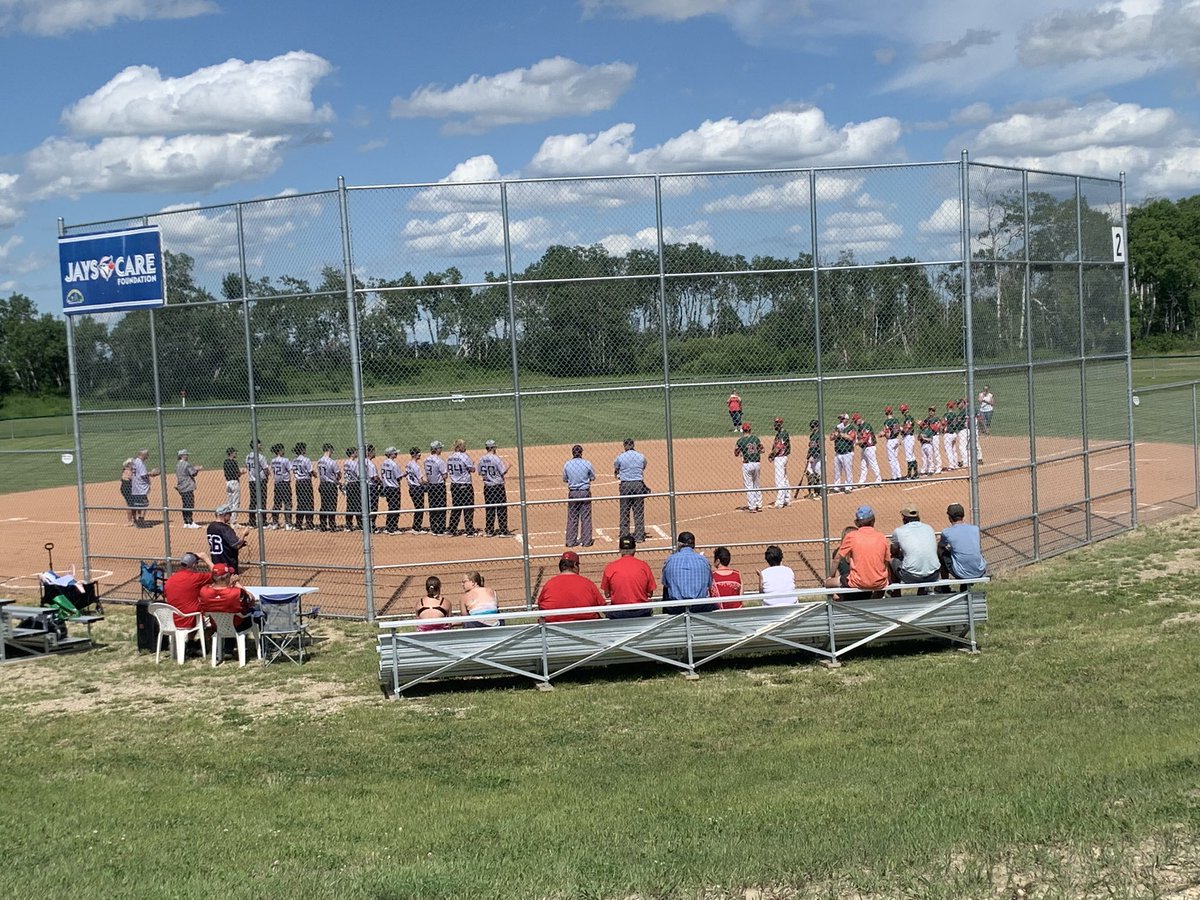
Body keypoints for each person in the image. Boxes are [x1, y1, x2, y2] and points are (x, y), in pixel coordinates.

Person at [827, 505, 891, 599]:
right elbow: (887, 561)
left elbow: (837, 559)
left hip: (857, 581)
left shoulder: (852, 536)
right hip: (879, 582)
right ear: (873, 521)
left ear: (857, 523)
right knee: (881, 587)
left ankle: (835, 602)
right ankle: (872, 604)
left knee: (827, 583)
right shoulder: (881, 537)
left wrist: (831, 576)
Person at [537, 551, 605, 623]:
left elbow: (540, 606)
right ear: (575, 565)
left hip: (553, 629)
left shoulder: (549, 584)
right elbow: (602, 606)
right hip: (586, 629)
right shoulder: (588, 583)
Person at [600, 534, 656, 619]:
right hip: (641, 612)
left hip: (619, 612)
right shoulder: (644, 566)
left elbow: (607, 594)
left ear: (620, 550)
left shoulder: (610, 567)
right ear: (634, 549)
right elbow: (650, 593)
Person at [888, 504, 940, 594]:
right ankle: (922, 591)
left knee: (892, 559)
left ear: (904, 518)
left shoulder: (899, 531)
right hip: (934, 574)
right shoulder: (929, 528)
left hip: (911, 576)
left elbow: (893, 551)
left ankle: (896, 592)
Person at [661, 531, 715, 614]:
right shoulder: (703, 560)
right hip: (700, 606)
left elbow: (665, 583)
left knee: (666, 590)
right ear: (693, 545)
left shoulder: (670, 560)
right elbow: (709, 584)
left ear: (679, 544)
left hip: (676, 607)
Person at [938, 502, 987, 584]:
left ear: (950, 517)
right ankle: (963, 587)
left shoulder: (947, 532)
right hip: (980, 570)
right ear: (963, 516)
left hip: (961, 573)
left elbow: (942, 544)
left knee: (940, 550)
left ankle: (944, 586)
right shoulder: (975, 529)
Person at [198, 563, 254, 634]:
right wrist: (236, 584)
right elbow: (251, 600)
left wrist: (230, 585)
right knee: (258, 613)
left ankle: (227, 644)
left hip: (216, 626)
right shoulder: (237, 592)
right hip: (237, 625)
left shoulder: (204, 591)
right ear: (227, 576)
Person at [163, 551, 211, 631]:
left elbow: (165, 595)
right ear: (194, 565)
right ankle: (205, 642)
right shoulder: (196, 577)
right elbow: (218, 575)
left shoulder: (170, 580)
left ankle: (190, 641)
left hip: (172, 621)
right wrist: (206, 559)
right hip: (190, 620)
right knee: (213, 619)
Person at [613, 437, 648, 540]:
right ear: (633, 445)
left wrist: (620, 473)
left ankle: (624, 535)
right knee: (638, 511)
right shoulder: (641, 456)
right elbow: (643, 466)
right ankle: (639, 536)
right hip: (638, 484)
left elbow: (616, 467)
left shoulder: (620, 457)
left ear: (624, 446)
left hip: (625, 485)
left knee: (624, 510)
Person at [563, 443, 596, 547]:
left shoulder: (567, 464)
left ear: (572, 453)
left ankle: (571, 541)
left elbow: (565, 479)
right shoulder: (587, 463)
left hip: (573, 492)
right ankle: (586, 541)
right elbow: (593, 477)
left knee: (572, 517)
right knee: (585, 517)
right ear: (581, 453)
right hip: (584, 491)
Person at [478, 439, 511, 536]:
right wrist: (508, 467)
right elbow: (503, 471)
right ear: (492, 448)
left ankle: (489, 530)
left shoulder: (482, 459)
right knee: (501, 508)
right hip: (497, 486)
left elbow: (479, 472)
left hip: (487, 487)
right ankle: (503, 530)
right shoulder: (496, 458)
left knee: (489, 508)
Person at [446, 439, 478, 537]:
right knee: (468, 507)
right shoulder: (464, 456)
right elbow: (472, 470)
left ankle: (452, 529)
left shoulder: (450, 457)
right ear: (460, 447)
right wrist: (473, 465)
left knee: (456, 507)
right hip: (465, 484)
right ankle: (469, 530)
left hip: (454, 484)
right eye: (464, 446)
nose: (465, 447)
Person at [207, 504, 250, 573]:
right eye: (230, 514)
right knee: (230, 582)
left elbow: (223, 542)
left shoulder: (211, 527)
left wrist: (242, 543)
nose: (230, 516)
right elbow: (236, 545)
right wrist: (244, 534)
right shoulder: (225, 528)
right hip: (227, 562)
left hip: (216, 561)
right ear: (225, 515)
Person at [734, 422, 763, 512]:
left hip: (747, 464)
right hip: (757, 463)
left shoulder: (740, 441)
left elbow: (736, 453)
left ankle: (752, 506)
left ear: (743, 430)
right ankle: (759, 504)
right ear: (750, 430)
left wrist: (741, 450)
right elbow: (762, 449)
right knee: (756, 484)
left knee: (749, 485)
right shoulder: (756, 439)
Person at [424, 441, 449, 536]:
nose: (441, 450)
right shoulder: (439, 461)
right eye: (440, 448)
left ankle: (433, 526)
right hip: (439, 485)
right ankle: (441, 528)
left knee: (432, 505)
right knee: (441, 506)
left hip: (430, 485)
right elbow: (445, 475)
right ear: (437, 449)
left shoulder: (426, 460)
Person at [129, 448, 158, 527]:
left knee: (137, 504)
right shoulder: (140, 463)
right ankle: (141, 520)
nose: (148, 456)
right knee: (144, 504)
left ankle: (137, 520)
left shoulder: (135, 461)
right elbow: (143, 475)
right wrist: (152, 474)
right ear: (143, 455)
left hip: (136, 487)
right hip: (141, 488)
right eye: (147, 454)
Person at [316, 443, 341, 532]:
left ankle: (323, 525)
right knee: (332, 505)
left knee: (324, 505)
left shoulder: (319, 461)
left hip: (322, 484)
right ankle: (332, 526)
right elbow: (338, 474)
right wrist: (337, 480)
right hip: (330, 485)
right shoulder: (331, 461)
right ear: (329, 450)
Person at [174, 449, 202, 528]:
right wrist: (197, 469)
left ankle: (186, 522)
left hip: (181, 486)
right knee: (189, 504)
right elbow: (193, 474)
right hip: (187, 486)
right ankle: (190, 522)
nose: (187, 456)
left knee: (185, 504)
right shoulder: (186, 464)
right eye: (186, 455)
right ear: (182, 456)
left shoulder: (178, 465)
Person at [768, 417, 791, 508]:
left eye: (776, 424)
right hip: (783, 457)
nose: (774, 425)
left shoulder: (782, 434)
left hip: (780, 458)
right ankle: (787, 499)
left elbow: (778, 447)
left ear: (780, 424)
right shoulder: (782, 433)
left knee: (779, 480)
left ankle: (779, 502)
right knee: (784, 479)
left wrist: (771, 455)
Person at [796, 419, 822, 501]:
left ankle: (819, 493)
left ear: (816, 426)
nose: (811, 428)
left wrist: (814, 457)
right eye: (811, 426)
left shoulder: (819, 435)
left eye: (812, 426)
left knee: (818, 475)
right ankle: (812, 492)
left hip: (819, 458)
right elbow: (811, 447)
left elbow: (820, 448)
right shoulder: (812, 436)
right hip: (812, 458)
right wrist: (808, 455)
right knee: (809, 473)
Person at [379, 447, 403, 534]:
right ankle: (392, 528)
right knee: (395, 507)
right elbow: (399, 477)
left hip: (386, 487)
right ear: (391, 454)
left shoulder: (384, 463)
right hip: (394, 488)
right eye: (395, 453)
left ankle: (388, 526)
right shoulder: (393, 464)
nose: (396, 454)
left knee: (390, 507)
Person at [269, 442, 293, 530]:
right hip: (285, 483)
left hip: (277, 484)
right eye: (283, 449)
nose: (284, 451)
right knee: (287, 503)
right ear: (280, 451)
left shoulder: (273, 460)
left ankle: (275, 523)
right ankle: (288, 523)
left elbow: (273, 471)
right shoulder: (285, 460)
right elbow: (290, 470)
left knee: (277, 503)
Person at [853, 413, 882, 485]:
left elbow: (865, 439)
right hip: (864, 448)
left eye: (855, 421)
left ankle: (878, 479)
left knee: (873, 463)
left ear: (859, 419)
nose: (855, 423)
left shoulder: (866, 426)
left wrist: (855, 443)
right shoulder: (860, 427)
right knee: (863, 465)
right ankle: (862, 481)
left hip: (870, 448)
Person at [245, 440, 268, 528]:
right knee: (262, 501)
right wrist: (267, 477)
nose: (261, 446)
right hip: (260, 481)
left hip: (251, 481)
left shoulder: (248, 457)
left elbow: (247, 467)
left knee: (253, 501)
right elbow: (265, 469)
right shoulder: (260, 457)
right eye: (259, 445)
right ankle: (263, 522)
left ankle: (252, 521)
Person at [293, 442, 315, 530]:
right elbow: (310, 471)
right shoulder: (306, 460)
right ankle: (309, 524)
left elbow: (294, 471)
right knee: (309, 502)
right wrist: (315, 474)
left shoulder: (294, 460)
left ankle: (298, 524)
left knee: (300, 503)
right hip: (306, 482)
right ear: (302, 450)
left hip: (298, 482)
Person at [830, 415, 854, 493]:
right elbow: (831, 438)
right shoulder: (837, 427)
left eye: (842, 419)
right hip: (838, 453)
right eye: (840, 419)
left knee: (848, 470)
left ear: (847, 420)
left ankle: (848, 487)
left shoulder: (851, 428)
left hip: (847, 453)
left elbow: (851, 438)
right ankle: (836, 487)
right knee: (837, 471)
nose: (840, 420)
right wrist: (834, 435)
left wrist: (841, 434)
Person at [405, 447, 427, 534]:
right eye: (418, 453)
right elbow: (421, 481)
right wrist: (427, 483)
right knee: (420, 508)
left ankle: (416, 526)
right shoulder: (416, 466)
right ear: (414, 455)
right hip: (417, 488)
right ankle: (417, 528)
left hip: (411, 488)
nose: (420, 454)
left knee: (418, 507)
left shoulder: (408, 464)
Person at [222, 447, 244, 526]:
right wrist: (242, 473)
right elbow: (237, 473)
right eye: (234, 452)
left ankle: (228, 518)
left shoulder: (225, 462)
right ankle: (233, 521)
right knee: (236, 502)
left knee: (230, 502)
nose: (236, 453)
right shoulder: (234, 462)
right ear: (231, 453)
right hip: (234, 482)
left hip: (228, 483)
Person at [342, 446, 363, 531]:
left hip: (349, 484)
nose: (357, 453)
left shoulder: (346, 462)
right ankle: (360, 525)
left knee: (350, 505)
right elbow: (359, 475)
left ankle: (349, 524)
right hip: (355, 484)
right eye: (356, 452)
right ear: (353, 454)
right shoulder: (355, 463)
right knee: (358, 504)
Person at [364, 444, 382, 533]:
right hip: (372, 487)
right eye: (373, 451)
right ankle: (372, 526)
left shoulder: (361, 462)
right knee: (373, 507)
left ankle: (365, 526)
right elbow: (374, 477)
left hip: (364, 487)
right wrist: (382, 483)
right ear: (369, 452)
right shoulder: (370, 464)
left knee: (365, 507)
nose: (374, 453)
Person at [882, 406, 902, 480]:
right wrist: (899, 438)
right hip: (896, 440)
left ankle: (894, 477)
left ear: (886, 413)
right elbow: (899, 429)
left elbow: (887, 433)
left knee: (891, 459)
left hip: (890, 441)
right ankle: (899, 475)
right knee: (895, 458)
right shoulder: (896, 420)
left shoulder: (886, 422)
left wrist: (883, 434)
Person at [900, 404, 918, 479]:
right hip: (909, 438)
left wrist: (900, 428)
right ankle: (916, 473)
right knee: (912, 456)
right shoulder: (908, 418)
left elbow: (906, 429)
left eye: (902, 410)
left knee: (908, 456)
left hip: (908, 438)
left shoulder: (908, 418)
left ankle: (909, 475)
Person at [120, 457, 135, 525]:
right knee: (130, 504)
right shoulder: (127, 471)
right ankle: (130, 520)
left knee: (133, 503)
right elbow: (132, 479)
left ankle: (134, 519)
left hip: (128, 487)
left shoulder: (129, 470)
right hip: (127, 488)